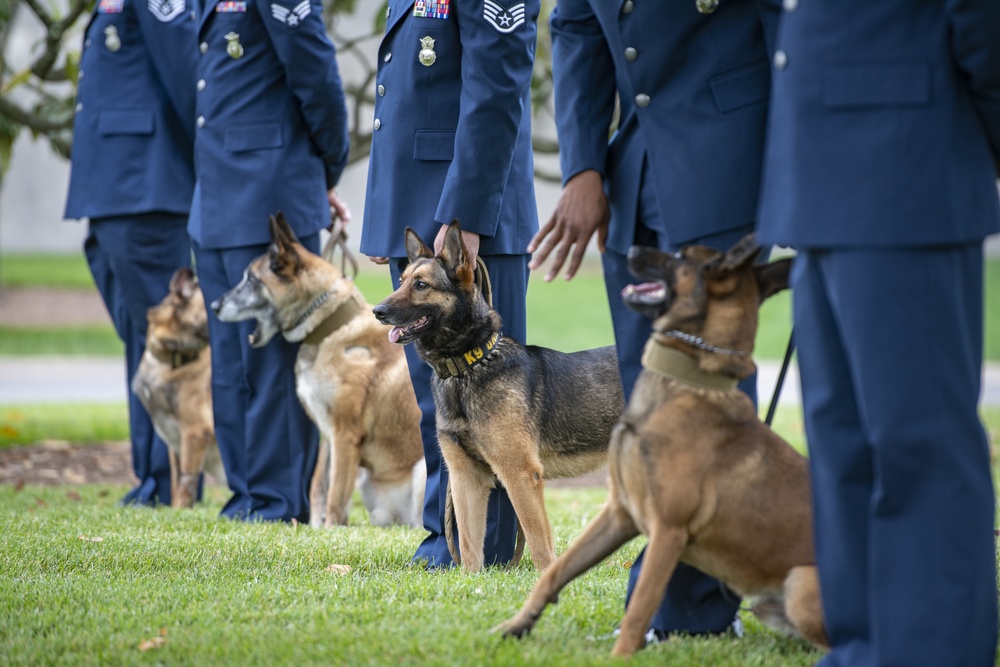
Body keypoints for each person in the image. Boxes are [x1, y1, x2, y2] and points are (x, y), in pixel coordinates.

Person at [757, 2, 1000, 665]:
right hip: (816, 173)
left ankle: (934, 650)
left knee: (916, 439)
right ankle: (864, 644)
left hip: (905, 162)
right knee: (842, 441)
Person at [531, 0, 778, 641]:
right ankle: (670, 580)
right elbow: (578, 26)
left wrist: (794, 171)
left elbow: (782, 27)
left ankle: (695, 610)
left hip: (727, 164)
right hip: (631, 175)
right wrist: (584, 165)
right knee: (649, 389)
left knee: (705, 396)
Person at [359, 0, 541, 568]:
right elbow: (404, 94)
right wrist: (384, 215)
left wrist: (467, 216)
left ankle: (485, 548)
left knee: (493, 398)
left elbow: (497, 85)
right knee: (436, 397)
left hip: (469, 217)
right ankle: (447, 539)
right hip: (418, 208)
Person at [189, 0, 349, 522]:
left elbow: (316, 76)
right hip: (215, 197)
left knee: (271, 364)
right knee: (231, 363)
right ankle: (247, 493)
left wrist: (321, 171)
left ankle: (277, 501)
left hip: (270, 192)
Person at [64, 0, 198, 507]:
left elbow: (186, 76)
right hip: (115, 190)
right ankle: (153, 477)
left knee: (162, 340)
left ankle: (168, 484)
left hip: (147, 189)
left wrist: (210, 165)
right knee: (141, 340)